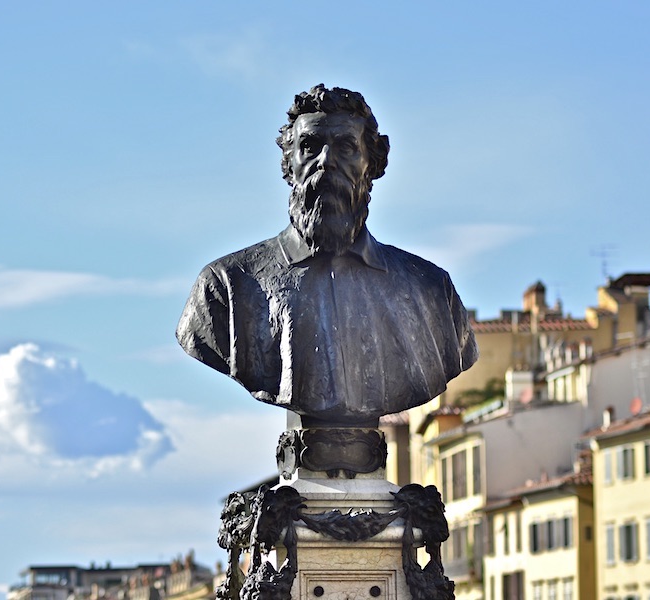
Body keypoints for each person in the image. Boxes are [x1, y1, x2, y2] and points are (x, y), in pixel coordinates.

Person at [177, 84, 478, 426]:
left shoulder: (432, 291)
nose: (326, 161)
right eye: (309, 147)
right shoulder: (225, 287)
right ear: (288, 165)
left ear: (373, 164)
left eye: (346, 147)